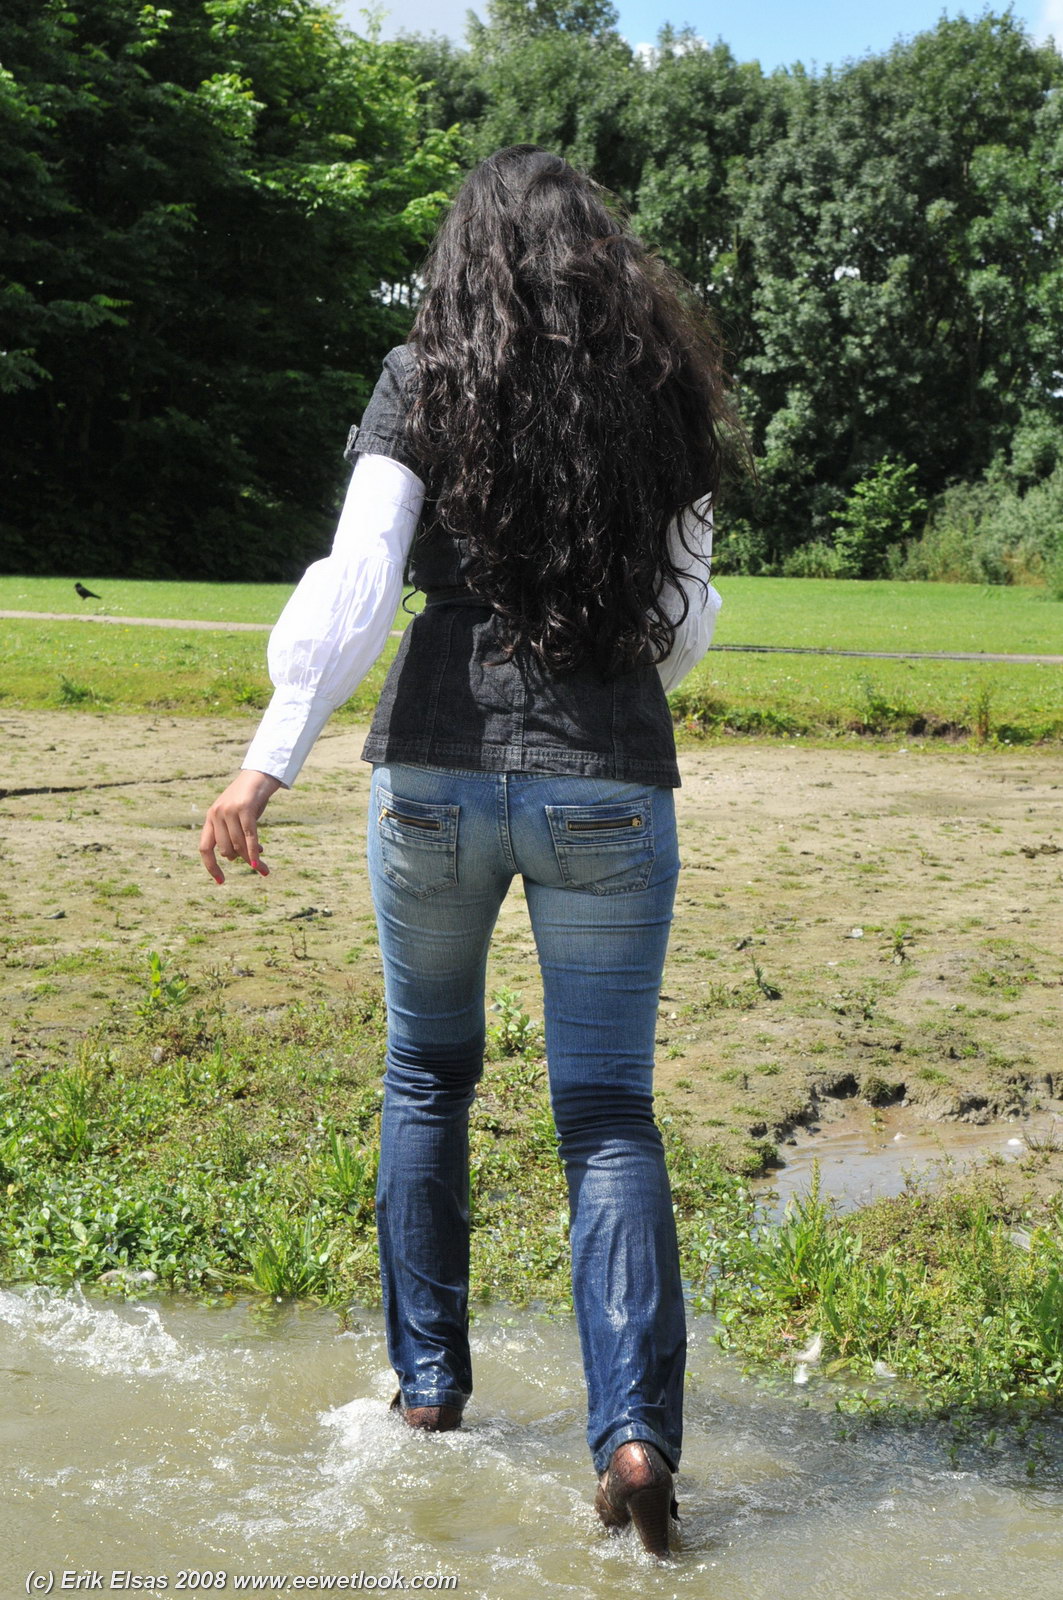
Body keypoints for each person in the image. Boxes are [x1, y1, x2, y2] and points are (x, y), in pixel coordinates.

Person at [198, 144, 731, 1561]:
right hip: (608, 774)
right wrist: (614, 685)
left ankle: (430, 1392)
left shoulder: (423, 374)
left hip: (432, 765)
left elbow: (362, 579)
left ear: (464, 258)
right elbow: (683, 618)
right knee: (607, 1114)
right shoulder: (662, 389)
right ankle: (634, 1440)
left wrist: (268, 758)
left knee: (426, 1074)